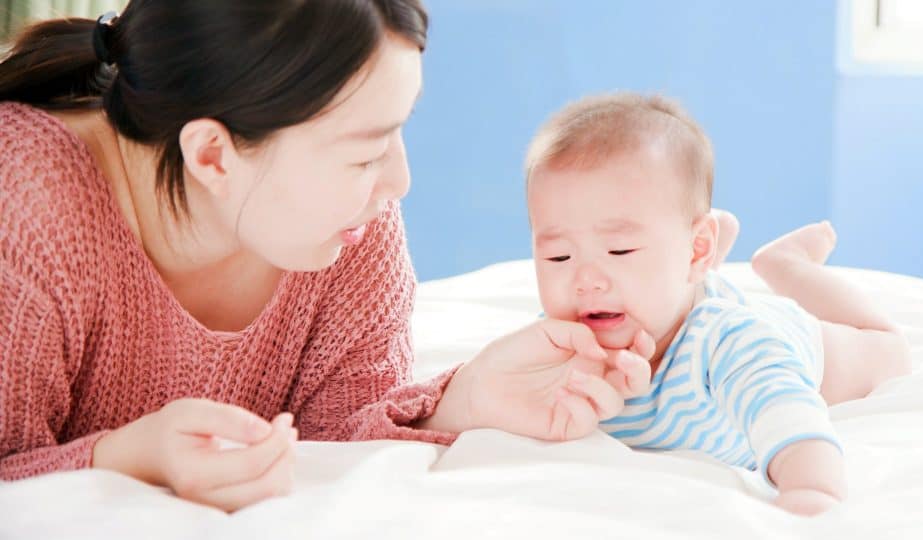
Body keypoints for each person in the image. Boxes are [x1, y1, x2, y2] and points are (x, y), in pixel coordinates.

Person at [0, 1, 652, 512]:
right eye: (365, 152)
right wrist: (121, 457)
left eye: (397, 132)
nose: (399, 181)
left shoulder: (350, 226)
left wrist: (465, 402)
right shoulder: (23, 213)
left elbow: (335, 433)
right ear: (212, 156)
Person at [524, 92, 912, 515]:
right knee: (674, 284)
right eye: (558, 256)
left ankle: (786, 265)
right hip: (685, 284)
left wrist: (810, 494)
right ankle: (703, 257)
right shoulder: (556, 341)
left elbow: (793, 419)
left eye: (619, 251)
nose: (586, 281)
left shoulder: (731, 342)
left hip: (796, 340)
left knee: (889, 349)